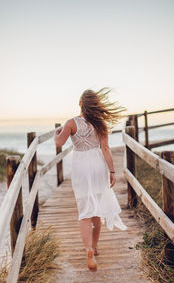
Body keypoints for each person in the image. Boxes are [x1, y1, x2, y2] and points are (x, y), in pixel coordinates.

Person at [54, 87, 127, 272]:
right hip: (98, 164)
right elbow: (106, 148)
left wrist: (57, 133)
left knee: (85, 209)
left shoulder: (71, 123)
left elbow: (59, 143)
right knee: (97, 209)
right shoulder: (101, 123)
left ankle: (88, 250)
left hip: (80, 165)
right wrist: (112, 171)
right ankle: (94, 246)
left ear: (80, 103)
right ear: (96, 105)